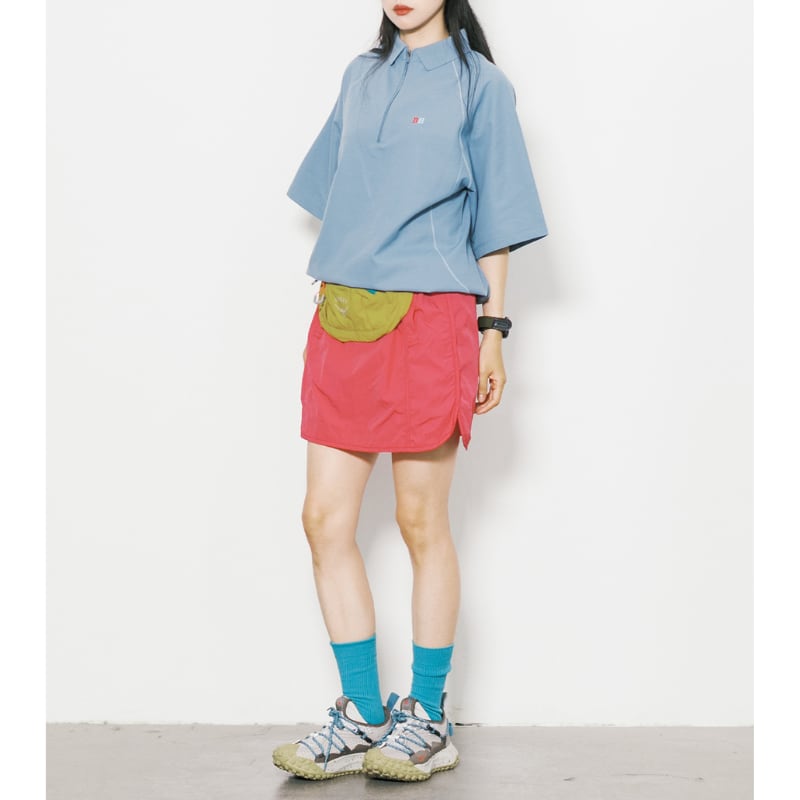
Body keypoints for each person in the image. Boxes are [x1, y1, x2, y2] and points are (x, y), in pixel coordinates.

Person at [272, 0, 548, 783]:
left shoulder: (480, 85)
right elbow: (337, 194)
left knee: (420, 521)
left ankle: (427, 717)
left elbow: (497, 220)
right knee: (324, 519)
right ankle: (363, 714)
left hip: (432, 321)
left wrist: (493, 331)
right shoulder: (359, 78)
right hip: (345, 314)